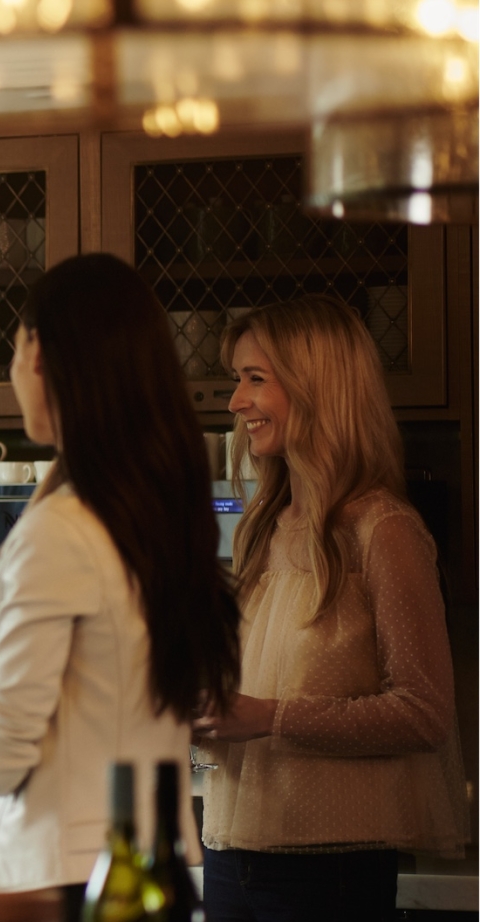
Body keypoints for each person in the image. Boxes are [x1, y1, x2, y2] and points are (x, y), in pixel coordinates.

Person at [0, 254, 242, 921]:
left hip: (61, 887)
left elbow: (0, 760)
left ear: (40, 356)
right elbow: (85, 735)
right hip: (145, 873)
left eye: (13, 349)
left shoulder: (57, 534)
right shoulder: (157, 518)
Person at [192, 293, 467, 921]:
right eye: (238, 380)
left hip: (330, 870)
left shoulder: (383, 529)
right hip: (231, 851)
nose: (235, 402)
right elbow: (249, 687)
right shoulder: (262, 527)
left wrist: (267, 716)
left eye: (254, 379)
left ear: (317, 387)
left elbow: (424, 713)